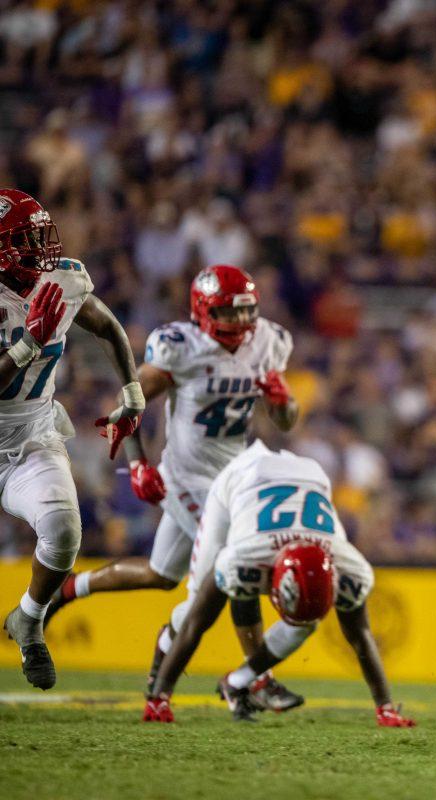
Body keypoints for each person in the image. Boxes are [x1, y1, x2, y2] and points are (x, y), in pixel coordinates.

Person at [45, 265, 302, 709]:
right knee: (238, 558)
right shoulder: (182, 347)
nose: (240, 324)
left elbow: (286, 421)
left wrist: (283, 402)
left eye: (246, 314)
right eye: (228, 313)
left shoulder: (270, 342)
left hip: (234, 477)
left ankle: (70, 587)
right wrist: (139, 463)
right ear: (203, 311)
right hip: (187, 477)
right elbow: (129, 405)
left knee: (161, 576)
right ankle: (256, 680)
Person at [141, 440, 413, 728]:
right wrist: (161, 697)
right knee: (193, 607)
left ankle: (240, 682)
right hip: (243, 478)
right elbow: (198, 623)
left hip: (311, 477)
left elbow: (360, 635)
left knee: (305, 621)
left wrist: (385, 707)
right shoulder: (243, 557)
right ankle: (155, 684)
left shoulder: (349, 567)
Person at [0, 188, 144, 690]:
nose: (42, 249)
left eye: (41, 236)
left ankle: (30, 619)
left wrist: (132, 390)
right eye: (27, 240)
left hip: (32, 436)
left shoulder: (61, 277)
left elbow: (106, 325)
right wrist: (28, 346)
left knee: (63, 531)